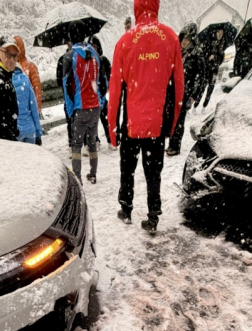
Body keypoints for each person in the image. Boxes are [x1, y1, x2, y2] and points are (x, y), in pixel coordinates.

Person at [108, 0, 184, 234]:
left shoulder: (125, 41)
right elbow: (178, 87)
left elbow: (115, 91)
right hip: (157, 121)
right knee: (153, 172)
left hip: (132, 121)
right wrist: (172, 127)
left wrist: (112, 130)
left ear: (136, 8)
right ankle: (153, 215)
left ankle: (126, 208)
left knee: (127, 169)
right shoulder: (170, 37)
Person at [62, 36, 106, 183]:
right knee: (92, 143)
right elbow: (103, 81)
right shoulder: (95, 55)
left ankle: (77, 178)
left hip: (80, 107)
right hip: (95, 107)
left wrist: (70, 110)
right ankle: (93, 174)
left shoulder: (70, 56)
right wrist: (100, 101)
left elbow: (66, 85)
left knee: (76, 145)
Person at [167, 23, 207, 156]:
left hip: (186, 92)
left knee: (179, 119)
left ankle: (175, 146)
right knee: (171, 116)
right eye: (183, 38)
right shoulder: (177, 51)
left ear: (192, 40)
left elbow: (201, 77)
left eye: (187, 39)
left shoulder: (197, 54)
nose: (184, 42)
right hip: (173, 90)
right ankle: (170, 142)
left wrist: (194, 95)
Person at [89, 35, 114, 150]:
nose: (93, 48)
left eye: (95, 46)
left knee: (106, 119)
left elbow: (110, 75)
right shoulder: (87, 62)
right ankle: (96, 140)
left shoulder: (103, 60)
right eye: (91, 46)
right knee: (93, 122)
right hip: (92, 96)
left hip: (102, 95)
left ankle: (111, 139)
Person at [11, 59, 43, 144]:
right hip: (30, 129)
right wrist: (38, 133)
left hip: (16, 130)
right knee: (32, 156)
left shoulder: (7, 82)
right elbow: (34, 109)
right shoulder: (25, 79)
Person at [195, 27, 226, 112]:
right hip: (207, 69)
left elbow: (221, 59)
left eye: (222, 34)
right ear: (215, 33)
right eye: (219, 33)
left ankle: (204, 106)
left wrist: (216, 57)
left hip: (214, 71)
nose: (220, 35)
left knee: (210, 88)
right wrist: (209, 57)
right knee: (202, 87)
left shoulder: (222, 45)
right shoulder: (208, 42)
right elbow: (203, 55)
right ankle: (195, 105)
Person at [14, 36, 43, 114]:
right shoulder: (11, 67)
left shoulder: (30, 67)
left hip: (29, 110)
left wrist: (36, 110)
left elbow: (37, 90)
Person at [56, 39, 75, 148]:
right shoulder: (62, 60)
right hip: (69, 95)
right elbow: (59, 80)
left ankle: (79, 144)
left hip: (75, 95)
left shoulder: (64, 59)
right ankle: (72, 144)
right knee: (70, 121)